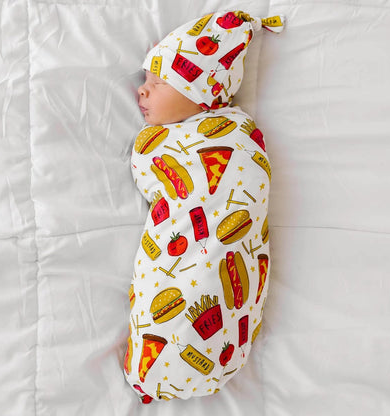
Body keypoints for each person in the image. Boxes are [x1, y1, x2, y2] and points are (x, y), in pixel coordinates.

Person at [124, 10, 283, 403]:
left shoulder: (239, 135)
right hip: (176, 259)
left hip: (223, 257)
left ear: (198, 91)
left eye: (158, 82)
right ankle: (157, 365)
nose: (142, 91)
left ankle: (167, 366)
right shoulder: (159, 140)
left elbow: (250, 183)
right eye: (145, 81)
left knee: (218, 287)